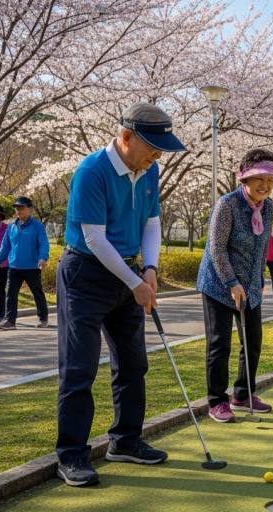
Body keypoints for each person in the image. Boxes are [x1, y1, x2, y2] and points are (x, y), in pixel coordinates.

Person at [55, 103, 182, 487]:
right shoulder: (91, 171)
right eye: (153, 147)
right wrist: (135, 282)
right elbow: (94, 238)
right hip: (86, 274)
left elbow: (153, 223)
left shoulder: (150, 169)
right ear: (126, 137)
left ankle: (125, 440)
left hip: (128, 271)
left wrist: (151, 270)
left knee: (133, 363)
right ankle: (72, 454)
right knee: (79, 368)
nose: (158, 156)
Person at [197, 148, 273, 424]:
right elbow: (217, 249)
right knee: (219, 343)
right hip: (218, 285)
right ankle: (217, 401)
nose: (265, 185)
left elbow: (261, 249)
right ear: (244, 179)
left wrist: (258, 281)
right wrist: (231, 282)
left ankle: (243, 394)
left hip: (250, 286)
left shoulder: (269, 208)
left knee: (253, 341)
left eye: (271, 181)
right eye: (260, 178)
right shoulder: (227, 204)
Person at [0, 196, 50, 330]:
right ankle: (10, 321)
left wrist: (43, 258)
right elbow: (5, 246)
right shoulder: (11, 226)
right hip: (14, 267)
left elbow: (43, 243)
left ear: (30, 209)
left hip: (32, 267)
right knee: (11, 294)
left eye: (21, 208)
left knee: (37, 293)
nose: (18, 211)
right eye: (16, 208)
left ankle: (43, 318)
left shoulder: (37, 226)